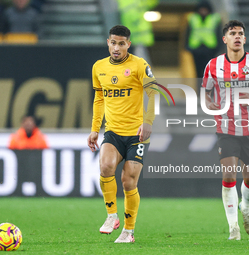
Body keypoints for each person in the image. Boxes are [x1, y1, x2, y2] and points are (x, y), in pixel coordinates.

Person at [202, 20, 249, 240]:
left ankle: (246, 207)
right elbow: (204, 92)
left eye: (240, 33)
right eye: (232, 33)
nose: (237, 36)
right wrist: (209, 103)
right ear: (225, 39)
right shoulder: (213, 65)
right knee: (228, 174)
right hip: (226, 127)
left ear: (244, 39)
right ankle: (233, 226)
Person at [87, 25, 157, 243]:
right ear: (108, 42)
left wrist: (147, 122)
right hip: (113, 132)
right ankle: (111, 216)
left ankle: (128, 231)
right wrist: (94, 129)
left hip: (137, 134)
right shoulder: (99, 67)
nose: (116, 48)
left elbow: (153, 93)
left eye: (121, 43)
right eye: (113, 43)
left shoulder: (139, 65)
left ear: (128, 44)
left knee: (128, 181)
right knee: (105, 166)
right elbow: (99, 99)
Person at [186, 0, 222, 78]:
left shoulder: (215, 18)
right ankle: (200, 88)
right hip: (196, 47)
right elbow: (188, 33)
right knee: (198, 72)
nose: (203, 11)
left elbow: (219, 34)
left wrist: (219, 48)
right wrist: (187, 47)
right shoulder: (193, 18)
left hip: (210, 48)